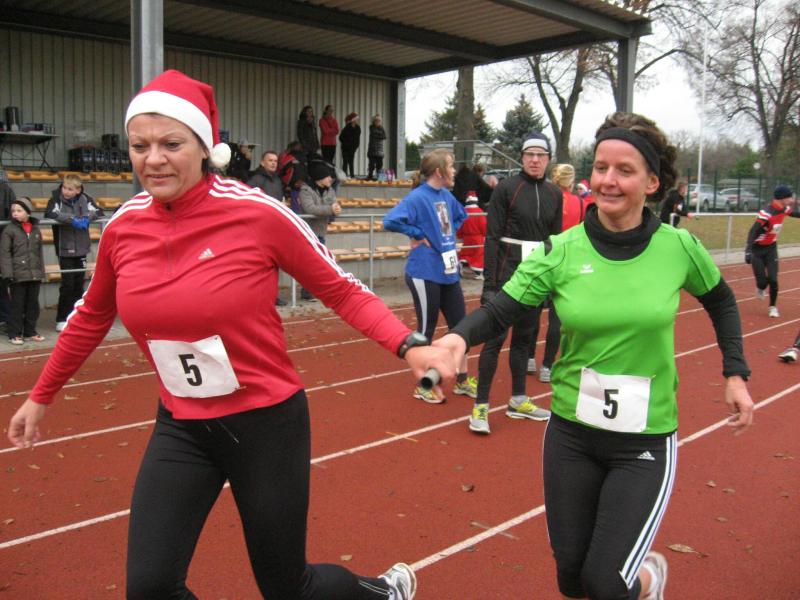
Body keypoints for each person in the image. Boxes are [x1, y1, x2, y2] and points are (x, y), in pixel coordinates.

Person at [7, 69, 457, 600]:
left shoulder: (258, 213)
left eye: (171, 144)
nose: (154, 159)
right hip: (181, 425)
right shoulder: (123, 226)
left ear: (204, 147)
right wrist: (41, 395)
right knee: (150, 588)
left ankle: (383, 592)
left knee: (287, 588)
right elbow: (89, 316)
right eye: (140, 146)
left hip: (265, 426)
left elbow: (341, 289)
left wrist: (406, 344)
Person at [434, 111, 754, 600]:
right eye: (601, 167)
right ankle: (639, 583)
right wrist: (458, 338)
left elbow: (722, 302)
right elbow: (502, 308)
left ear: (652, 182)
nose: (608, 180)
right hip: (572, 434)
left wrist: (735, 373)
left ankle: (647, 579)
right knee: (571, 579)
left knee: (605, 582)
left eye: (625, 170)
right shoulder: (562, 250)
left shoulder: (678, 248)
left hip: (643, 441)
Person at [468, 131, 562, 434]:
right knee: (494, 340)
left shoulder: (554, 193)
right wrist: (489, 285)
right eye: (529, 155)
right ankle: (480, 405)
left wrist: (551, 283)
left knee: (525, 338)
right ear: (522, 158)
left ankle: (518, 399)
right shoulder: (507, 189)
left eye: (540, 155)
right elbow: (492, 237)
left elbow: (555, 243)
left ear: (548, 159)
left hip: (535, 277)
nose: (535, 160)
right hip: (506, 275)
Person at [383, 149, 477, 404]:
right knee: (426, 329)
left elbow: (461, 215)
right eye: (451, 166)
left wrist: (446, 235)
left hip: (448, 271)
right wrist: (417, 233)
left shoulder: (446, 195)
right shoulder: (417, 197)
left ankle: (462, 380)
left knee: (461, 328)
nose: (454, 170)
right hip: (424, 271)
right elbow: (390, 220)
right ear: (439, 172)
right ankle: (423, 385)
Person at [529, 163, 585, 384]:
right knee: (556, 318)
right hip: (568, 262)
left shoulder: (545, 198)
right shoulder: (580, 203)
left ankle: (529, 357)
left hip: (544, 257)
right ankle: (547, 366)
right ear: (571, 181)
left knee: (533, 311)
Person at [44, 173, 104, 331]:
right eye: (64, 188)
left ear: (78, 190)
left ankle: (78, 317)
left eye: (70, 189)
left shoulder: (86, 198)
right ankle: (62, 318)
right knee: (67, 285)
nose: (66, 191)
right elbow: (51, 213)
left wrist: (86, 218)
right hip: (65, 249)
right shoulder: (56, 198)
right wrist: (72, 220)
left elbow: (99, 211)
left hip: (81, 248)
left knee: (79, 285)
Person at [744, 184, 799, 318]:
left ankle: (772, 307)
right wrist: (748, 251)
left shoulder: (784, 209)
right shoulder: (767, 213)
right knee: (762, 283)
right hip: (757, 251)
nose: (791, 200)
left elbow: (796, 214)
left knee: (773, 279)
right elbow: (753, 231)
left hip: (771, 249)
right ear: (782, 198)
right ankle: (760, 287)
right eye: (789, 197)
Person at [0, 196, 45, 345]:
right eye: (13, 211)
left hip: (34, 274)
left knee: (33, 305)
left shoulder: (36, 229)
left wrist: (41, 272)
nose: (15, 213)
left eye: (19, 210)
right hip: (17, 275)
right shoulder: (9, 230)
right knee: (17, 306)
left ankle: (30, 331)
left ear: (28, 212)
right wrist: (8, 273)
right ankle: (14, 333)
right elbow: (5, 253)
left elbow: (39, 253)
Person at [298, 160, 342, 301]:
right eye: (327, 176)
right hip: (307, 233)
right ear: (319, 177)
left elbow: (334, 205)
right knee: (310, 264)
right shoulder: (305, 190)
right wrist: (330, 209)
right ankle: (307, 292)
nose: (330, 179)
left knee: (320, 263)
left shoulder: (330, 190)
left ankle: (314, 290)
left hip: (321, 232)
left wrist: (336, 209)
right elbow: (310, 209)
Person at [457, 191, 487, 279]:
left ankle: (460, 264)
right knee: (478, 255)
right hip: (477, 238)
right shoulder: (479, 212)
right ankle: (478, 273)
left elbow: (459, 226)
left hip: (466, 238)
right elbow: (483, 225)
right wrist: (485, 235)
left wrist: (459, 235)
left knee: (466, 253)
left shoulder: (463, 212)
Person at [0, 174, 16, 328]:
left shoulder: (5, 189)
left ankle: (5, 318)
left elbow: (13, 216)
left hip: (2, 242)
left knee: (2, 282)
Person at [339, 112, 361, 179]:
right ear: (353, 120)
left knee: (351, 162)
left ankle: (352, 175)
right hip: (345, 148)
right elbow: (341, 137)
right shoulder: (347, 127)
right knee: (345, 162)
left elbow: (357, 139)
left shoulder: (358, 128)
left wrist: (355, 146)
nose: (357, 120)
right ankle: (344, 175)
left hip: (352, 148)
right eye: (356, 119)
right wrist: (346, 144)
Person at [367, 114, 386, 181]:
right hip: (372, 150)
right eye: (376, 120)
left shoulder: (382, 128)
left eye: (379, 121)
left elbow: (384, 136)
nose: (378, 122)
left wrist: (379, 135)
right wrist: (380, 135)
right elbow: (374, 134)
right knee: (371, 165)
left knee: (379, 165)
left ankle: (379, 178)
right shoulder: (371, 127)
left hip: (380, 151)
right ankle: (370, 176)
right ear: (374, 121)